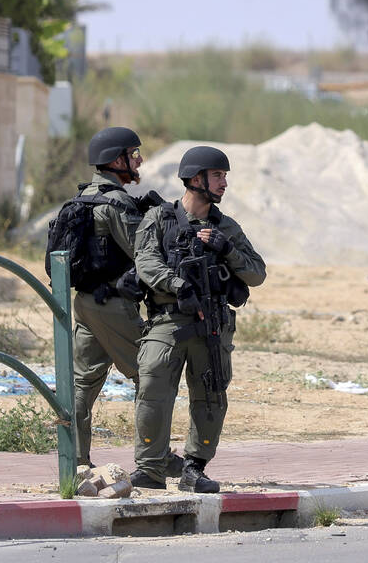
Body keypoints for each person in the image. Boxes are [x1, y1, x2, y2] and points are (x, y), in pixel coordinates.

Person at [131, 145, 266, 492]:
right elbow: (146, 263)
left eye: (224, 176)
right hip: (168, 321)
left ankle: (194, 468)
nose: (224, 183)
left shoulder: (226, 227)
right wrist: (177, 285)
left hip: (212, 326)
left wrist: (227, 250)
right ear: (196, 179)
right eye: (218, 176)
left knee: (211, 395)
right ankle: (150, 468)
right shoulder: (159, 219)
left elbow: (256, 274)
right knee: (152, 388)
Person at [71, 126, 182, 476]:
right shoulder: (116, 202)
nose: (139, 160)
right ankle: (155, 459)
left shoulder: (84, 196)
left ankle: (74, 460)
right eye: (133, 155)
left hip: (86, 302)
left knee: (82, 382)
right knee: (153, 374)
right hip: (113, 305)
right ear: (114, 160)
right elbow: (144, 254)